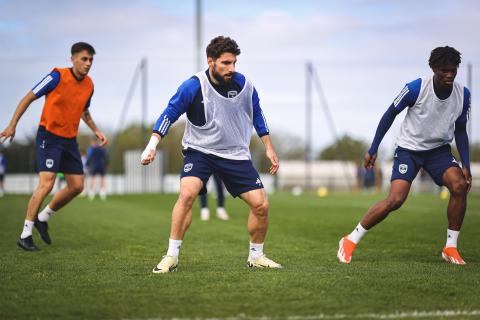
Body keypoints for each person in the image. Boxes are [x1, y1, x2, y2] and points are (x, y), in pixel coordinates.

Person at [141, 36, 281, 273]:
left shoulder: (245, 85)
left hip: (235, 153)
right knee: (187, 195)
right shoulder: (193, 86)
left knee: (261, 206)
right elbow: (169, 113)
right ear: (211, 61)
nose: (232, 68)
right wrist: (152, 144)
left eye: (234, 63)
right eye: (226, 63)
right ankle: (171, 256)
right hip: (200, 151)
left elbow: (258, 114)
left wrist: (268, 146)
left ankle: (256, 256)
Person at [338, 46, 472, 265]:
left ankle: (450, 247)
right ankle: (350, 239)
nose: (449, 75)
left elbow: (460, 129)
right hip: (409, 149)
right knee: (396, 199)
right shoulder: (415, 88)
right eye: (444, 70)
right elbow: (389, 115)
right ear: (433, 68)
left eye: (453, 70)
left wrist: (465, 163)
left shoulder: (463, 95)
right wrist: (373, 149)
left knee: (459, 186)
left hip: (438, 151)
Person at [0, 42, 108, 251]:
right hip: (48, 137)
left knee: (77, 186)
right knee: (47, 184)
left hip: (69, 139)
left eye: (91, 60)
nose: (88, 64)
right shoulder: (57, 76)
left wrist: (96, 130)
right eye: (84, 59)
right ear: (73, 59)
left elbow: (83, 111)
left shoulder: (89, 85)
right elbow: (28, 97)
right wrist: (12, 124)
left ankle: (43, 217)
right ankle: (25, 234)